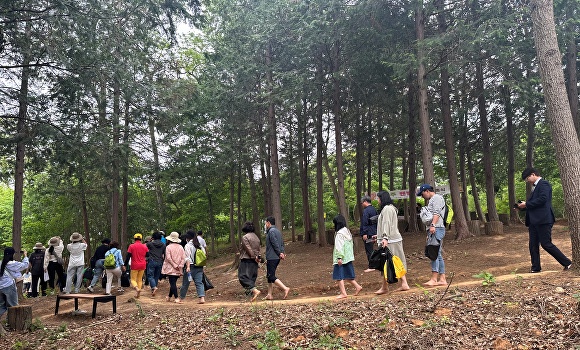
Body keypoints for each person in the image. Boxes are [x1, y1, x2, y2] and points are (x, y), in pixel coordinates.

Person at [517, 167, 572, 272]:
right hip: (533, 221)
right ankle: (536, 268)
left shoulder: (544, 184)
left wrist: (527, 204)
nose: (527, 181)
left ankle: (568, 263)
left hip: (543, 220)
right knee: (533, 245)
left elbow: (543, 200)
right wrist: (522, 207)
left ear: (533, 174)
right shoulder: (535, 187)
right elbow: (535, 204)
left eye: (527, 178)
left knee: (546, 244)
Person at [374, 191, 410, 293]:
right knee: (392, 262)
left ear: (382, 198)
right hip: (392, 239)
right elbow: (388, 225)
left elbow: (387, 224)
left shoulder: (387, 209)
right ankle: (402, 283)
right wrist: (379, 235)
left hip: (391, 241)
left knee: (389, 262)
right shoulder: (390, 208)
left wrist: (385, 237)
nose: (378, 200)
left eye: (378, 198)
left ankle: (386, 287)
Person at [417, 184, 447, 286]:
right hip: (434, 229)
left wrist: (433, 225)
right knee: (437, 254)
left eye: (422, 194)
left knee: (434, 253)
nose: (422, 196)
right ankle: (442, 279)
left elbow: (436, 213)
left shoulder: (436, 198)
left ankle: (434, 279)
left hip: (437, 228)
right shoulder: (433, 200)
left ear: (426, 191)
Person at [332, 214, 363, 299]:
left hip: (341, 258)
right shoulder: (347, 231)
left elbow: (339, 246)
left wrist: (339, 257)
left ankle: (343, 293)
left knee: (339, 276)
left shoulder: (339, 234)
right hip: (348, 257)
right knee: (348, 275)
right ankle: (357, 287)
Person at [264, 216, 290, 300]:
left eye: (265, 223)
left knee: (271, 276)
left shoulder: (271, 231)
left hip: (272, 257)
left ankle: (285, 288)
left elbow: (275, 243)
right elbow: (282, 243)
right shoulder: (278, 231)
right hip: (276, 257)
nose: (265, 225)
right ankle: (269, 294)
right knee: (269, 276)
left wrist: (279, 253)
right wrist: (282, 252)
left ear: (268, 223)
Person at [0, 248, 29, 322]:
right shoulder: (12, 264)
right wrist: (25, 256)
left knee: (2, 307)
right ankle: (14, 323)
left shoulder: (0, 263)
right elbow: (25, 265)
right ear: (12, 254)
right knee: (13, 306)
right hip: (9, 287)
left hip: (0, 287)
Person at [179, 230, 206, 304]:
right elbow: (203, 256)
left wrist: (187, 267)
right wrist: (203, 267)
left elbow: (187, 257)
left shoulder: (188, 246)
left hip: (190, 266)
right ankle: (202, 298)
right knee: (199, 282)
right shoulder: (199, 245)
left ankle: (181, 298)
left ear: (188, 237)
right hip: (199, 266)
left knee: (185, 283)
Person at [238, 221, 262, 301]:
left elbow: (248, 249)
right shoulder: (256, 237)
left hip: (247, 259)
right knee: (251, 278)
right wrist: (258, 258)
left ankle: (255, 291)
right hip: (255, 261)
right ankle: (250, 296)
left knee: (242, 277)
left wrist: (253, 256)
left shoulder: (245, 237)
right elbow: (258, 249)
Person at [161, 232, 185, 302]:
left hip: (171, 268)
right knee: (173, 283)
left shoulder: (168, 247)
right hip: (178, 268)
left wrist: (174, 265)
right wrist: (180, 265)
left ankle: (176, 298)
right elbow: (183, 257)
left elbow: (168, 258)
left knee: (173, 283)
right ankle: (169, 296)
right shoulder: (181, 247)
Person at [125, 233, 149, 298]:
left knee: (133, 279)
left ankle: (137, 289)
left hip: (134, 265)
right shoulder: (144, 246)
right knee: (139, 279)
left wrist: (125, 264)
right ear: (141, 239)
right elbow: (147, 255)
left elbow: (128, 256)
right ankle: (138, 294)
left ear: (134, 239)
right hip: (143, 265)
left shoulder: (131, 246)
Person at [360, 195, 378, 272]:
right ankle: (374, 264)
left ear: (365, 202)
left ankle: (372, 266)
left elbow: (365, 222)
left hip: (368, 233)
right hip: (374, 232)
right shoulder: (374, 209)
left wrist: (364, 233)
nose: (361, 204)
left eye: (362, 203)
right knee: (371, 249)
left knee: (369, 249)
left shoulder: (366, 211)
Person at [146, 231, 166, 296]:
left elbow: (145, 248)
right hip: (160, 261)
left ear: (153, 237)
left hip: (152, 261)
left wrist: (151, 240)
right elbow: (164, 254)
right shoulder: (163, 245)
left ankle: (154, 287)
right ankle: (153, 289)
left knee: (150, 275)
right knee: (156, 276)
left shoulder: (150, 244)